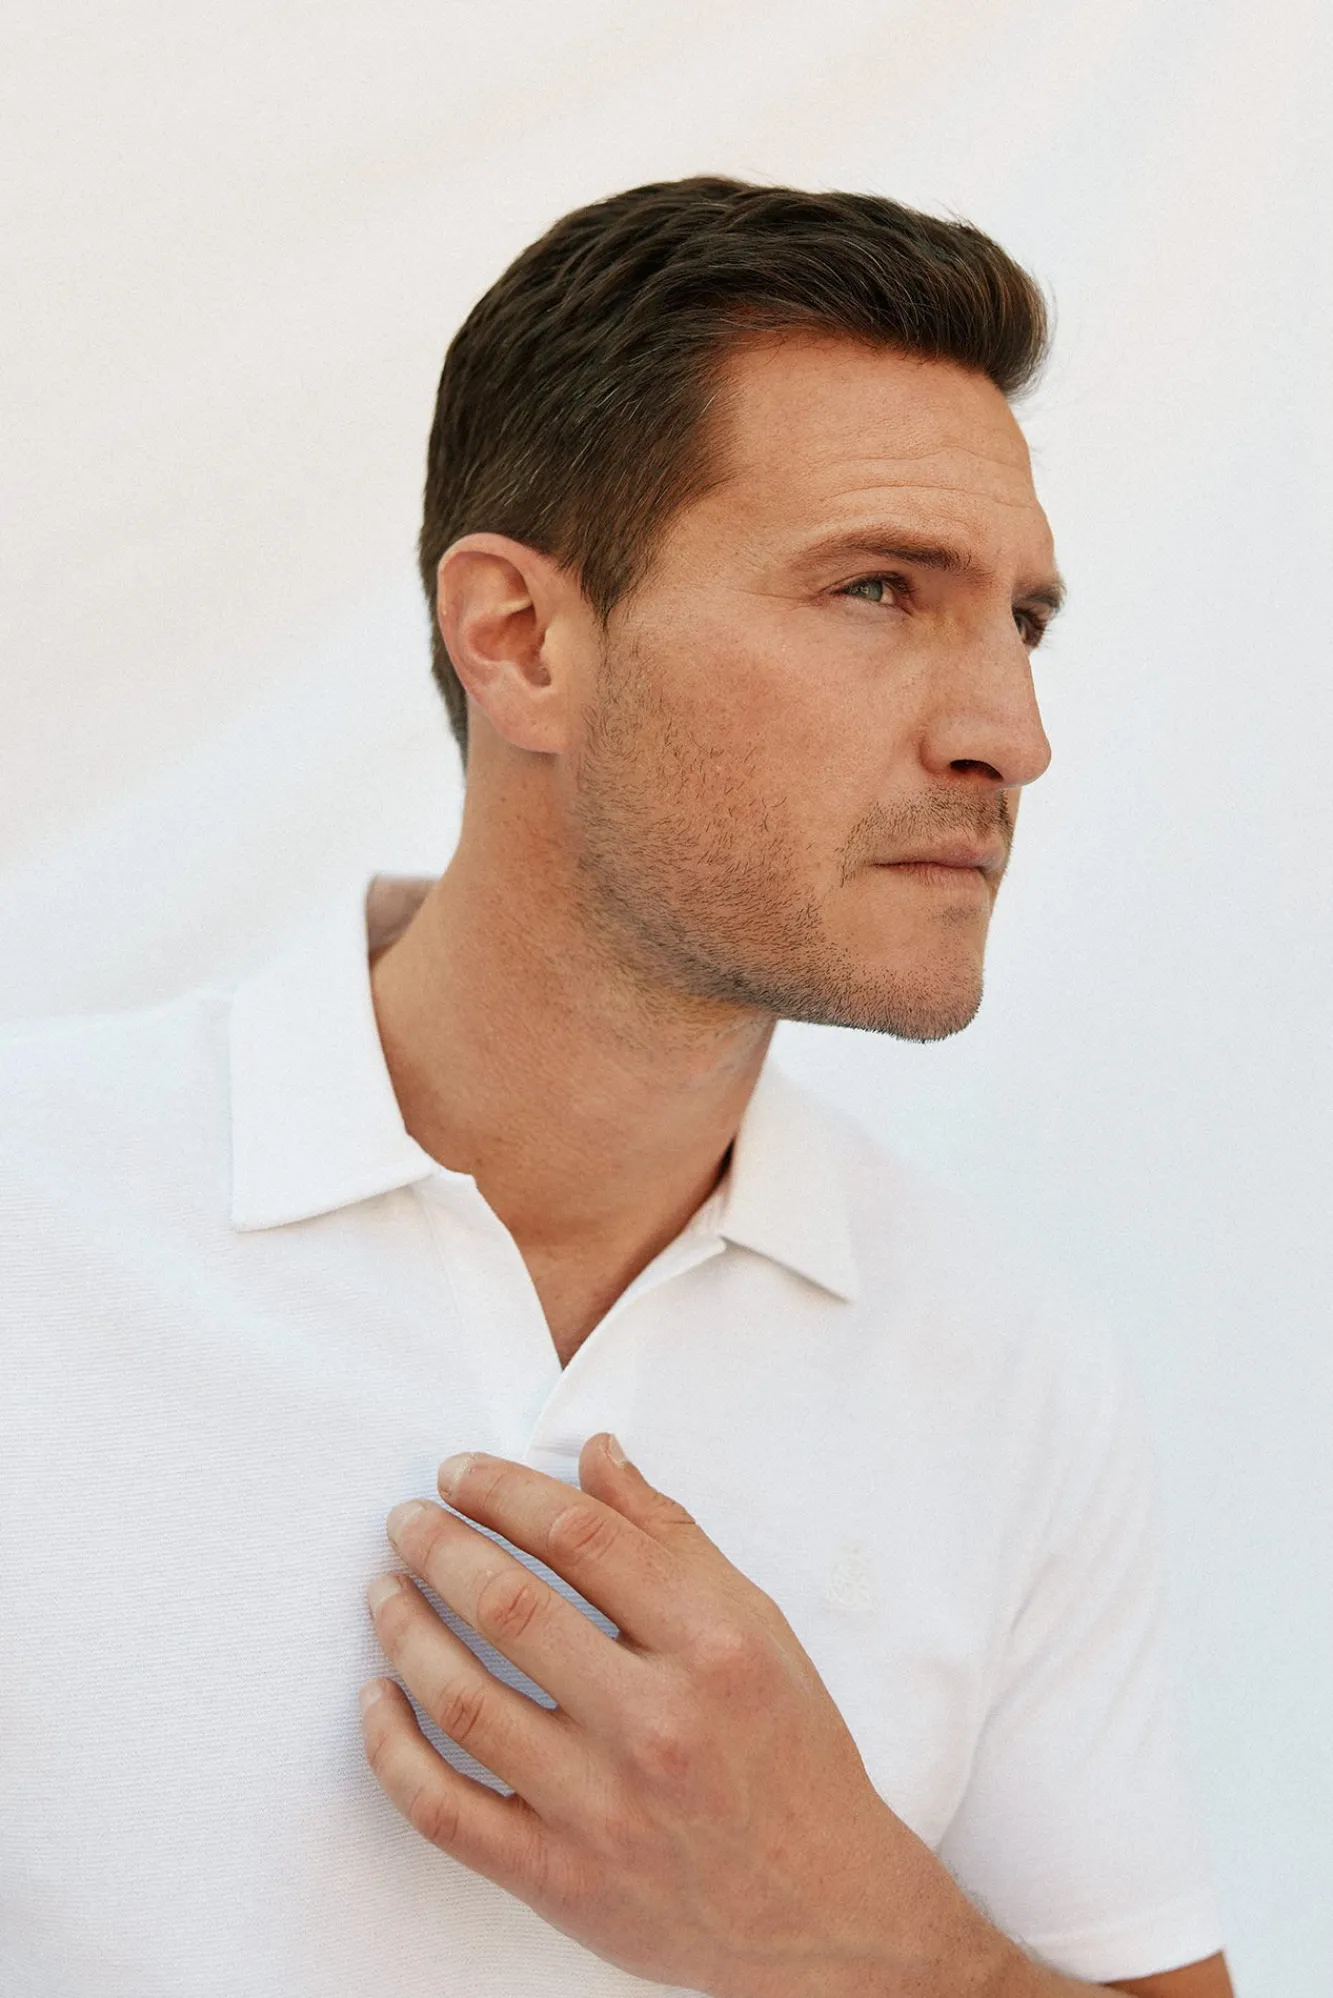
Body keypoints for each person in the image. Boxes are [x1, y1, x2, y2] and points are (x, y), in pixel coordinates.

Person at [0, 178, 1233, 1997]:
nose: (1010, 732)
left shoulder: (1010, 1368)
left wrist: (862, 1934)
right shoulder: (35, 1220)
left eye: (1023, 621)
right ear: (521, 638)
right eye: (878, 588)